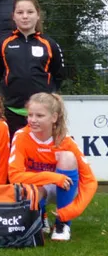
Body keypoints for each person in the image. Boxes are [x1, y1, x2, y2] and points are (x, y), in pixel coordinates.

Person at [8, 93, 96, 241]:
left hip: (64, 187)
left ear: (54, 118)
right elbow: (14, 176)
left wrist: (73, 210)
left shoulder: (65, 140)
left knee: (67, 157)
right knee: (29, 191)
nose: (33, 120)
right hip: (40, 186)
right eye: (30, 115)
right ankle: (40, 216)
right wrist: (52, 177)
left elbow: (90, 181)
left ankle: (62, 223)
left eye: (40, 116)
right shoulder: (21, 136)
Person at [0, 0, 64, 139]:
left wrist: (47, 95)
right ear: (13, 16)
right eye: (20, 12)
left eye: (30, 12)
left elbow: (59, 75)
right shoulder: (3, 43)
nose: (25, 16)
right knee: (11, 155)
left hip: (42, 114)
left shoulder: (50, 44)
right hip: (11, 112)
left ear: (37, 15)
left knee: (41, 156)